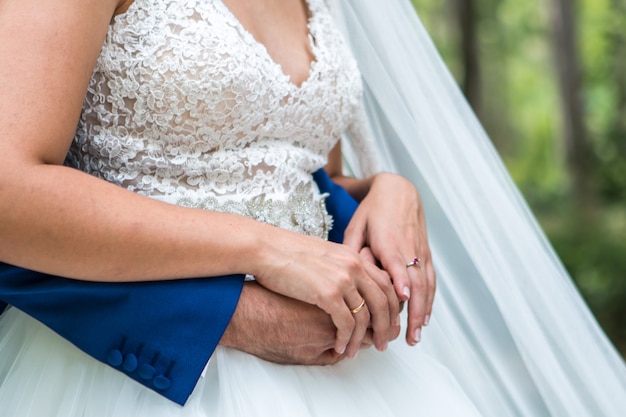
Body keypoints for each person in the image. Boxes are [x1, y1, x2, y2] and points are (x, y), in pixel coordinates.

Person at [0, 0, 624, 416]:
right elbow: (10, 191)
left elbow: (289, 171)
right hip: (137, 374)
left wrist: (387, 189)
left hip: (343, 374)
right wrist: (262, 251)